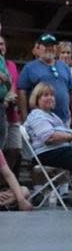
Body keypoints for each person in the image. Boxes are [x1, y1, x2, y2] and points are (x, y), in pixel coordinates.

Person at [18, 34, 72, 126]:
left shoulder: (64, 66)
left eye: (52, 46)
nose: (49, 48)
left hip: (64, 119)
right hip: (40, 120)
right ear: (38, 47)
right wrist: (24, 117)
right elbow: (22, 93)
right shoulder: (29, 67)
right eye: (46, 45)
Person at [0, 35, 22, 176]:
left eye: (1, 44)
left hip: (12, 114)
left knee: (15, 148)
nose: (0, 47)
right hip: (1, 109)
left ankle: (4, 183)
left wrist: (12, 95)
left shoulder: (11, 65)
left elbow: (15, 85)